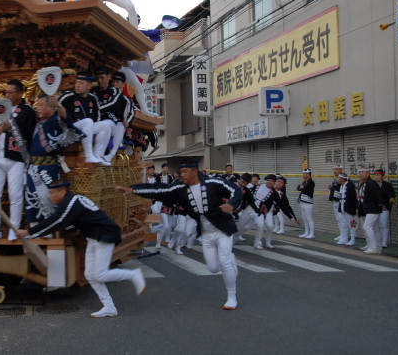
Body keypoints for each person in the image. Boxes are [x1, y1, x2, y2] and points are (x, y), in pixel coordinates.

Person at [118, 157, 242, 310]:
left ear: (194, 171)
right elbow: (160, 190)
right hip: (206, 234)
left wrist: (232, 205)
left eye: (185, 171)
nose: (182, 175)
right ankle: (231, 259)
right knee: (213, 268)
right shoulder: (180, 188)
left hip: (223, 229)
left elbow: (236, 190)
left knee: (224, 261)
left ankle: (231, 297)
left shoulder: (213, 183)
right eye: (180, 172)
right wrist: (133, 190)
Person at [17, 180, 146, 318]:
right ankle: (109, 307)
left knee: (100, 275)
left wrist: (29, 232)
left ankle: (133, 275)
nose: (49, 196)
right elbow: (70, 223)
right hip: (93, 237)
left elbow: (57, 221)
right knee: (90, 275)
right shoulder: (70, 202)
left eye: (52, 193)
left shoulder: (71, 203)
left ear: (62, 191)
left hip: (104, 236)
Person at [0, 79, 37, 240]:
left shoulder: (27, 111)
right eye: (6, 92)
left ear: (20, 93)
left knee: (15, 195)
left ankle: (14, 228)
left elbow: (31, 135)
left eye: (10, 92)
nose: (7, 95)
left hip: (17, 157)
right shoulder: (0, 107)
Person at [25, 93, 83, 226]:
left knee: (49, 197)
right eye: (37, 105)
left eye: (41, 105)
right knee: (32, 195)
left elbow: (67, 119)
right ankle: (34, 227)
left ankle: (50, 227)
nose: (37, 108)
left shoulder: (56, 121)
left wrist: (58, 105)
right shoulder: (36, 122)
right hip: (33, 167)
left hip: (49, 167)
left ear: (50, 107)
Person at [57, 71, 113, 165]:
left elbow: (97, 116)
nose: (77, 85)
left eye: (81, 83)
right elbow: (56, 110)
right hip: (69, 130)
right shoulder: (67, 96)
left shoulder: (93, 98)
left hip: (85, 130)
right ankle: (88, 155)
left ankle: (98, 156)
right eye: (76, 83)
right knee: (88, 121)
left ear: (89, 86)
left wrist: (92, 133)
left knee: (105, 125)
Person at [92, 67, 133, 163]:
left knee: (119, 125)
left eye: (117, 82)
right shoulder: (94, 91)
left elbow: (130, 112)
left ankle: (110, 155)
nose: (115, 84)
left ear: (123, 84)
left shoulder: (122, 97)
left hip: (114, 124)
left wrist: (128, 121)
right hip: (98, 121)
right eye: (114, 82)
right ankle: (98, 156)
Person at [357, 166, 383, 254]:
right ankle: (378, 248)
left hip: (373, 208)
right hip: (370, 209)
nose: (361, 174)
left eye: (363, 172)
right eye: (360, 172)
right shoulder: (366, 183)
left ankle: (374, 247)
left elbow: (378, 195)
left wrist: (380, 204)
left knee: (367, 226)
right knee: (375, 228)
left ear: (368, 173)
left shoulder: (371, 183)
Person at [233, 173, 260, 244]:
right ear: (240, 179)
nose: (243, 184)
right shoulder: (231, 185)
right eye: (243, 182)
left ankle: (230, 244)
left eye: (246, 183)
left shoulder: (246, 190)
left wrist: (258, 211)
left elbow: (252, 201)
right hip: (225, 210)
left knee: (237, 228)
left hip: (237, 211)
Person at [253, 174, 277, 250]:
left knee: (270, 226)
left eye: (272, 181)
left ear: (274, 182)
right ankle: (258, 242)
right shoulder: (259, 186)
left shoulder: (273, 191)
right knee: (258, 225)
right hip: (255, 209)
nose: (270, 182)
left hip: (268, 211)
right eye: (268, 180)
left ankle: (268, 242)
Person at [373, 169, 395, 248]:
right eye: (375, 175)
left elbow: (391, 195)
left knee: (384, 224)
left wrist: (391, 199)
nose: (376, 177)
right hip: (375, 208)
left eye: (378, 175)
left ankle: (385, 242)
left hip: (384, 208)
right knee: (377, 225)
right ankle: (379, 240)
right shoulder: (373, 185)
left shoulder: (387, 185)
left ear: (383, 176)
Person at [336, 173, 358, 246]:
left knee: (351, 224)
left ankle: (353, 239)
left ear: (343, 179)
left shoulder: (350, 186)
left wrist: (354, 208)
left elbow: (353, 198)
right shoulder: (341, 186)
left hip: (349, 208)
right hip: (342, 206)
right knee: (343, 224)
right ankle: (344, 238)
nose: (338, 180)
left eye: (339, 178)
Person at [296, 169, 315, 239]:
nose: (303, 175)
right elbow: (298, 188)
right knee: (304, 218)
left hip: (308, 203)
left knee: (309, 218)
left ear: (308, 174)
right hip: (303, 202)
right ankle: (306, 232)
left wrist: (302, 187)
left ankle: (312, 233)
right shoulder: (304, 182)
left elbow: (305, 190)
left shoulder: (311, 182)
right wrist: (302, 187)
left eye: (304, 174)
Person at [328, 165, 344, 241]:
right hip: (334, 200)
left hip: (340, 201)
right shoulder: (335, 179)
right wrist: (331, 188)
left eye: (336, 169)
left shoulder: (343, 179)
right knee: (338, 219)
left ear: (341, 170)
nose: (334, 171)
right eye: (334, 170)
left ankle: (344, 235)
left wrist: (333, 188)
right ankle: (341, 234)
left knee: (341, 219)